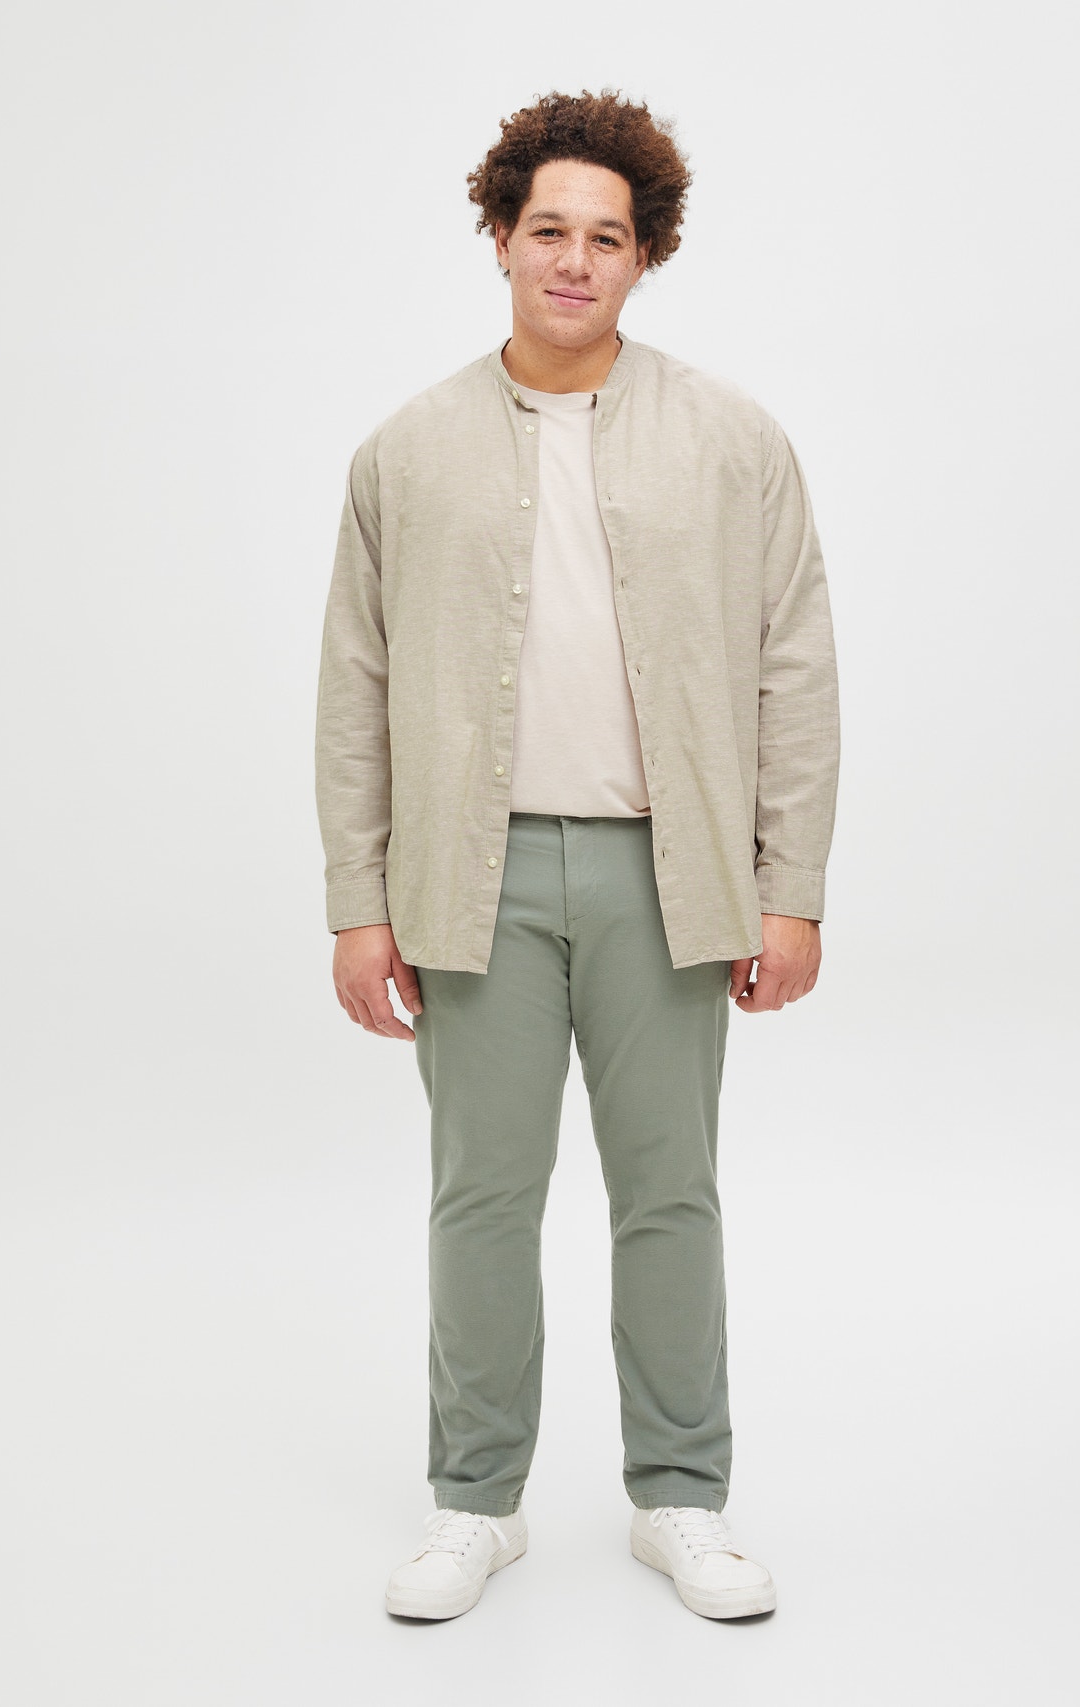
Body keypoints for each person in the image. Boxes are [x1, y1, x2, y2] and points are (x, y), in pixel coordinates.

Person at [314, 88, 841, 1622]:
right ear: (499, 236)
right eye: (548, 228)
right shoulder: (405, 452)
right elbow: (355, 688)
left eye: (607, 238)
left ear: (644, 255)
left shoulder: (734, 442)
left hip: (666, 879)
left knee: (669, 1194)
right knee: (480, 1196)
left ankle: (682, 1497)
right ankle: (475, 1503)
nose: (574, 260)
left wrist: (790, 887)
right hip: (464, 880)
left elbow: (794, 666)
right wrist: (358, 904)